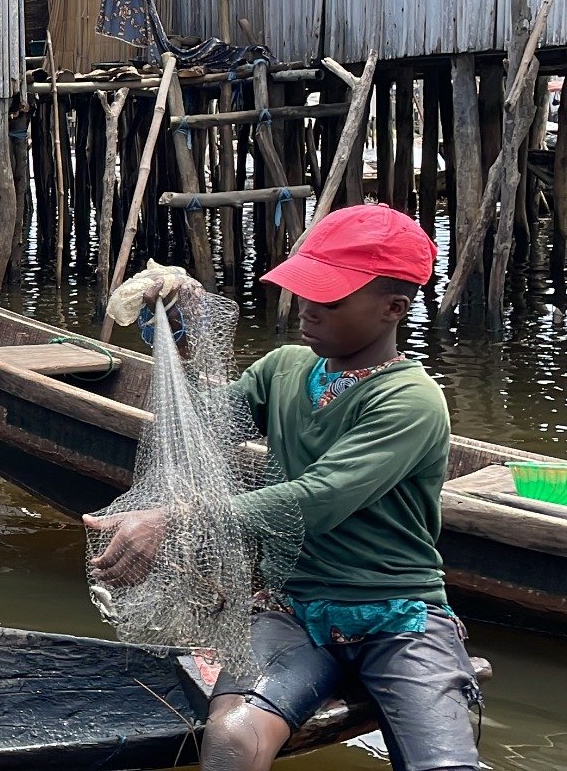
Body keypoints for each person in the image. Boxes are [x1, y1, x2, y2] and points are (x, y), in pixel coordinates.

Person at [84, 203, 481, 771]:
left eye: (330, 298)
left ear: (393, 308)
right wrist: (183, 344)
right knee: (232, 739)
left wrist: (175, 519)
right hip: (292, 611)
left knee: (444, 766)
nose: (307, 309)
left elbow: (315, 499)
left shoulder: (410, 401)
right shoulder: (287, 367)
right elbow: (204, 429)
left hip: (398, 616)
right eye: (304, 291)